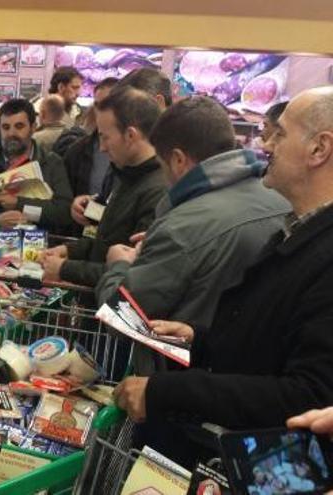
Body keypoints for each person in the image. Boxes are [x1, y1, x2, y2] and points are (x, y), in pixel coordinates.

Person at [114, 86, 333, 467]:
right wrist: (200, 340)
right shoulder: (298, 229)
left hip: (265, 467)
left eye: (279, 133)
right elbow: (273, 342)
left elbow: (308, 394)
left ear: (319, 149)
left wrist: (168, 392)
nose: (266, 144)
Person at [96, 96, 289, 375]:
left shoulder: (181, 229)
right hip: (255, 380)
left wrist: (119, 264)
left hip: (182, 385)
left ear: (177, 160)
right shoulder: (281, 200)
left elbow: (118, 316)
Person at [41, 88, 167, 287]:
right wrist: (71, 250)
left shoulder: (158, 191)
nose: (102, 147)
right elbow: (110, 240)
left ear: (131, 135)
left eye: (105, 137)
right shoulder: (128, 175)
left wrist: (64, 269)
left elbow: (133, 273)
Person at [0, 98, 74, 237]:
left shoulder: (52, 163)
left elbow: (64, 213)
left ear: (33, 127)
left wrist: (20, 205)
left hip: (40, 249)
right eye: (6, 127)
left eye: (19, 126)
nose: (11, 133)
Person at [59, 77, 119, 198]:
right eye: (98, 105)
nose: (101, 111)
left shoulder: (136, 150)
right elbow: (64, 199)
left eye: (108, 105)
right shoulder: (77, 151)